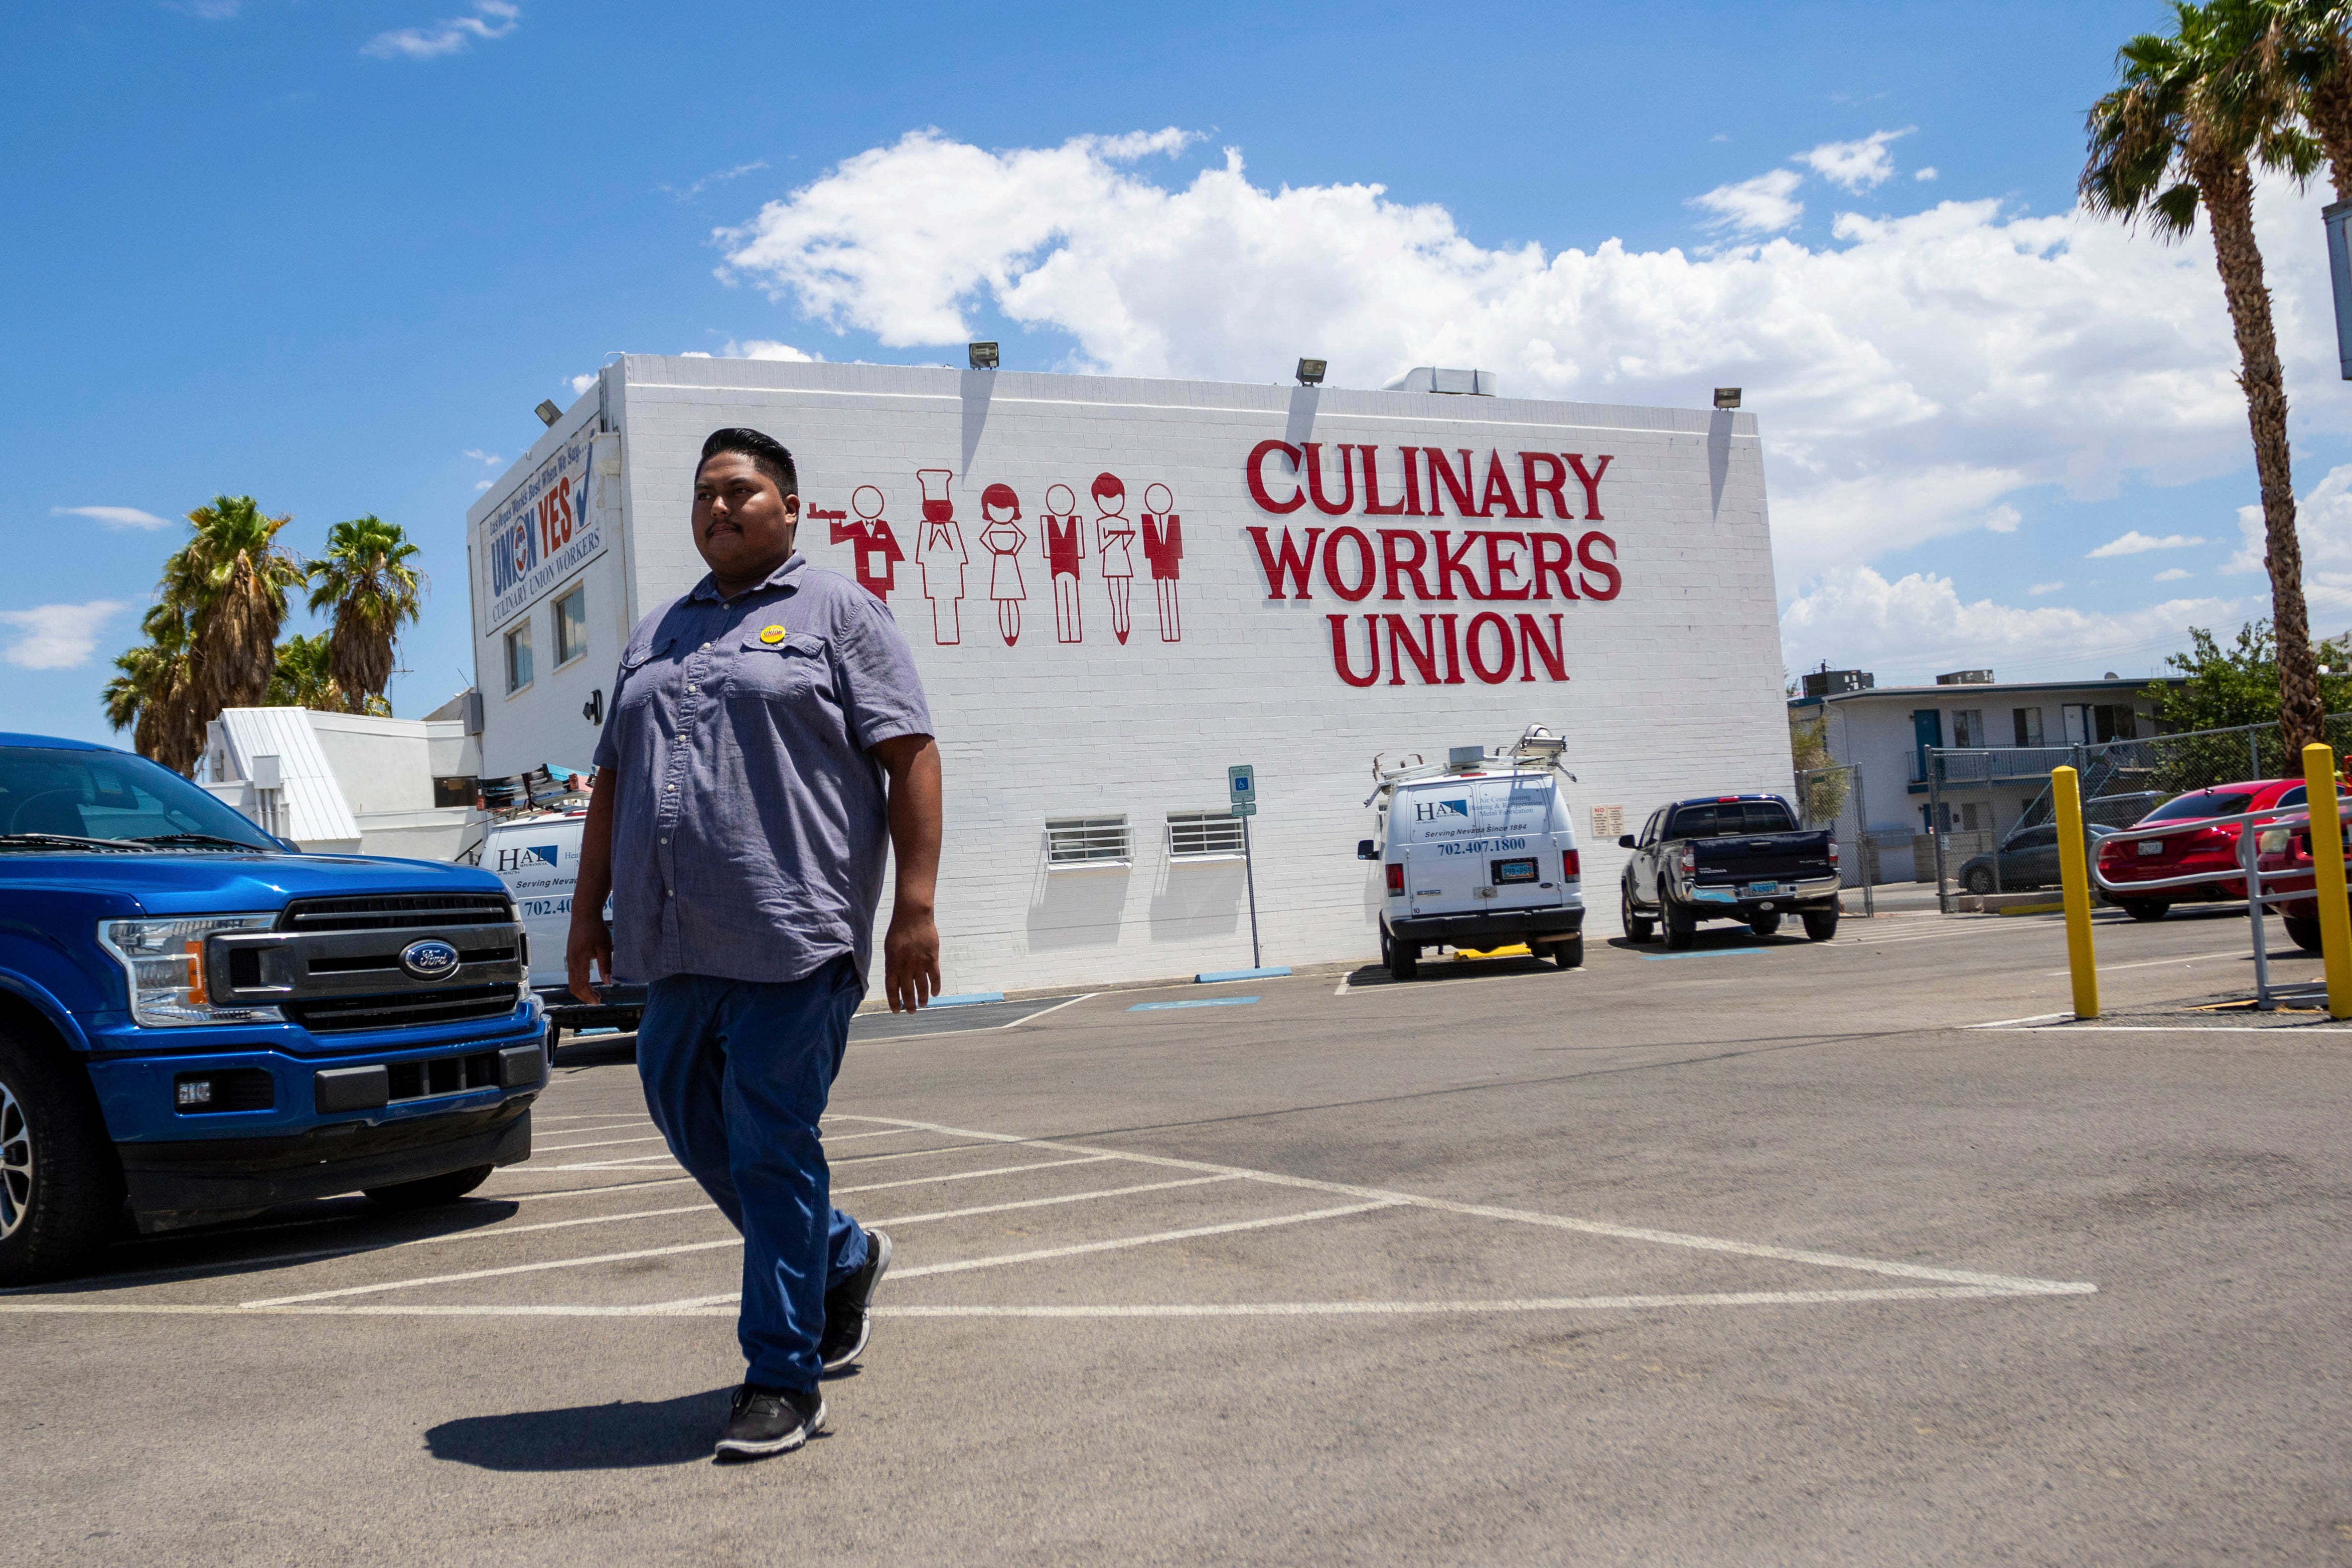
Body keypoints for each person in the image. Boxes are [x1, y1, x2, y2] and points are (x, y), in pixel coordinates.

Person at [568, 426, 943, 1463]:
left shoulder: (838, 612)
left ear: (789, 508)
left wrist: (914, 906)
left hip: (793, 930)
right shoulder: (656, 632)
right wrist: (587, 912)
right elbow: (612, 787)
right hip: (673, 938)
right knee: (689, 1116)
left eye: (740, 491)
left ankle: (783, 1377)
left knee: (772, 1147)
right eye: (703, 495)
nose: (718, 508)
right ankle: (840, 1254)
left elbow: (908, 753)